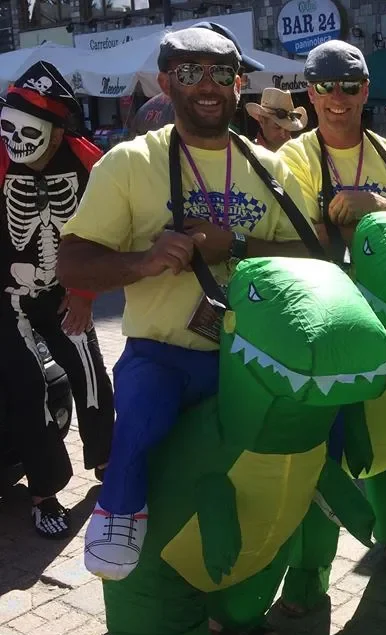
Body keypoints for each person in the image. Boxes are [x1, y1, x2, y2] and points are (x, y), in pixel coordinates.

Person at [57, 28, 314, 594]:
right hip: (165, 351)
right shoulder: (129, 163)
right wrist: (142, 262)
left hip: (251, 360)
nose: (207, 85)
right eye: (190, 71)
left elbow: (315, 256)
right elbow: (72, 264)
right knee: (142, 416)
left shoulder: (273, 168)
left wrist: (238, 247)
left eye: (221, 73)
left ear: (238, 84)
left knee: (281, 459)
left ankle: (258, 581)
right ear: (166, 79)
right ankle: (119, 510)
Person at [0, 62, 115, 538]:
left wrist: (84, 293)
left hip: (66, 293)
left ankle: (108, 462)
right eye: (5, 126)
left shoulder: (91, 165)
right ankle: (45, 490)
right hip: (7, 299)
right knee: (29, 387)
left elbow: (108, 232)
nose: (14, 140)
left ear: (55, 130)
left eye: (26, 130)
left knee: (89, 370)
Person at [277, 40, 386, 263]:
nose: (337, 96)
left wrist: (381, 207)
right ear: (312, 94)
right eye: (325, 86)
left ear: (365, 91)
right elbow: (306, 244)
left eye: (350, 85)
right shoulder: (293, 158)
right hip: (326, 295)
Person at [245, 87, 306, 152]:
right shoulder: (249, 154)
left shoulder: (299, 152)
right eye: (277, 127)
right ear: (261, 121)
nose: (283, 134)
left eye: (288, 128)